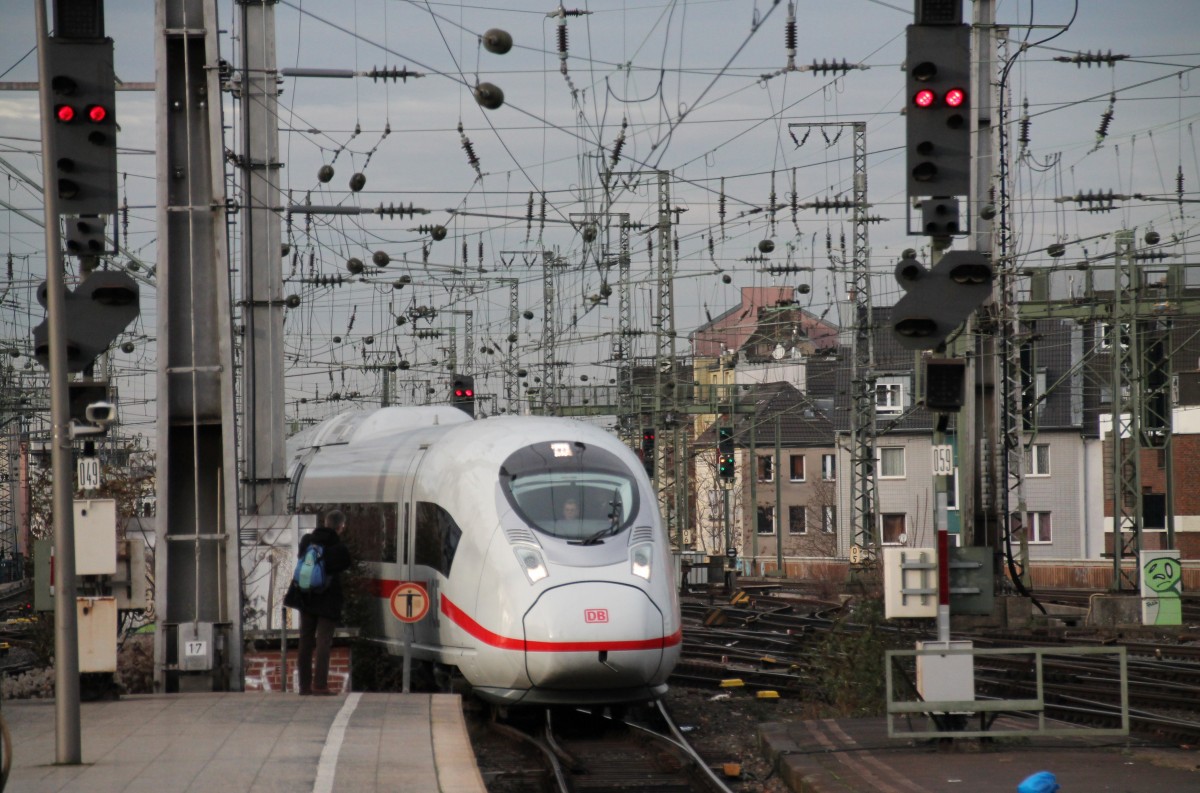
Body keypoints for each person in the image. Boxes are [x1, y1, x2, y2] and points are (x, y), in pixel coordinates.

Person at [285, 510, 352, 695]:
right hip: (327, 600)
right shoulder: (339, 548)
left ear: (325, 522)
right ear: (341, 526)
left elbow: (301, 556)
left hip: (306, 597)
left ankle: (304, 686)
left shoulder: (307, 540)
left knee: (305, 641)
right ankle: (320, 685)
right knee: (323, 642)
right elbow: (345, 565)